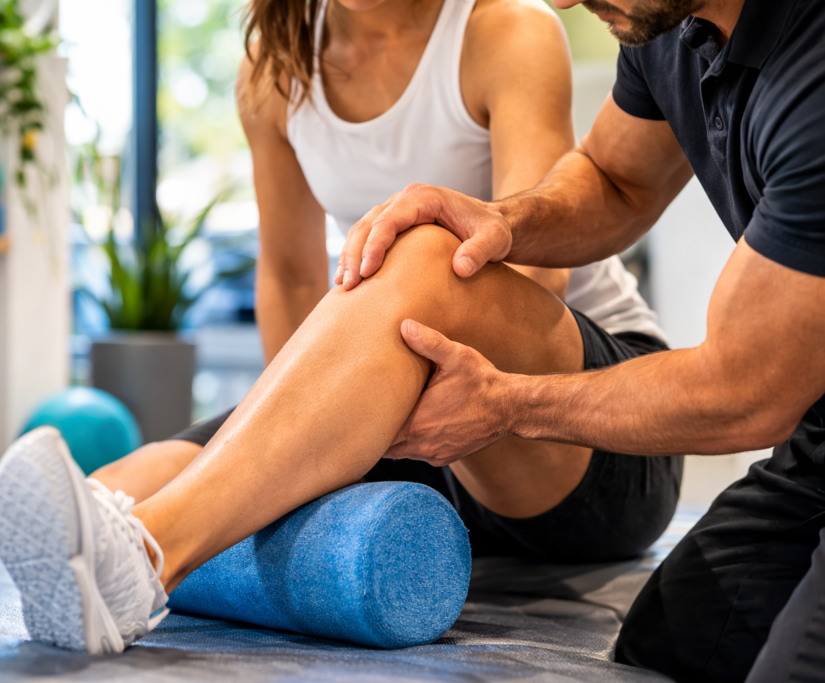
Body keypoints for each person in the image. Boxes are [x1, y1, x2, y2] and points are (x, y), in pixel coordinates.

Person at [0, 0, 683, 664]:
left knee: (427, 250)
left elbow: (537, 274)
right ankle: (111, 547)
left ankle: (143, 558)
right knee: (121, 486)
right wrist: (285, 453)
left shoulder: (504, 29)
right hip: (419, 417)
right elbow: (288, 275)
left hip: (575, 422)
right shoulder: (277, 65)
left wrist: (333, 432)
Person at [325, 0, 825, 679]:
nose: (560, 1)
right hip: (815, 441)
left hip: (756, 405)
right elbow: (617, 180)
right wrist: (503, 221)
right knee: (667, 647)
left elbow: (745, 390)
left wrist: (509, 405)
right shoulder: (665, 23)